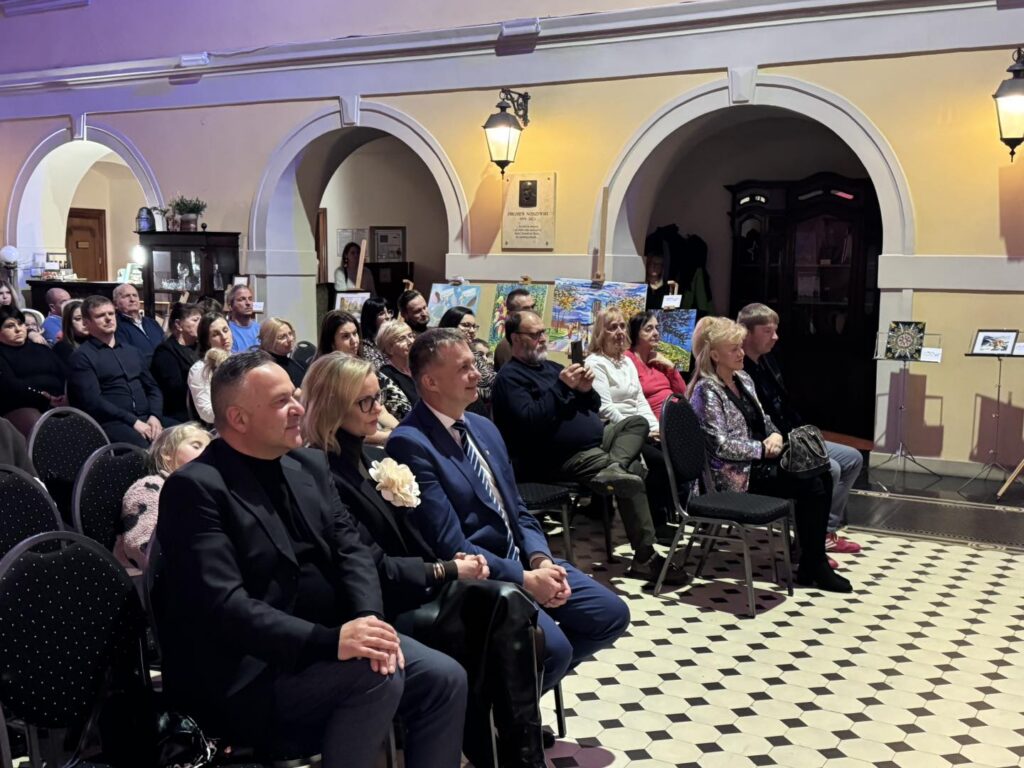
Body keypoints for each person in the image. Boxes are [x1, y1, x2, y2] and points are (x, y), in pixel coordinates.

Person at [154, 351, 466, 768]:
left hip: (328, 639)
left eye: (295, 396)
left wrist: (368, 621)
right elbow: (224, 606)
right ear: (239, 418)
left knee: (445, 677)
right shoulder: (196, 489)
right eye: (282, 401)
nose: (299, 408)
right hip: (252, 669)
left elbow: (353, 552)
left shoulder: (309, 465)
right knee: (377, 676)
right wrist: (331, 641)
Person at [303, 353, 546, 768]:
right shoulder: (324, 473)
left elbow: (416, 536)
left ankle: (510, 748)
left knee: (507, 611)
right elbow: (371, 563)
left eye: (378, 397)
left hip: (419, 585)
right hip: (383, 602)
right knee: (503, 610)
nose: (378, 409)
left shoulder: (371, 460)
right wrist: (448, 569)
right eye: (365, 402)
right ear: (333, 406)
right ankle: (510, 751)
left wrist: (455, 562)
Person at [387, 329, 631, 691]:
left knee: (610, 615)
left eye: (474, 364)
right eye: (464, 368)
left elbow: (516, 508)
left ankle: (509, 698)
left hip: (522, 559)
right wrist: (525, 580)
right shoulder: (410, 443)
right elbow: (450, 544)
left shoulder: (483, 427)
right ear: (430, 382)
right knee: (552, 650)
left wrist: (540, 560)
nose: (477, 374)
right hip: (479, 574)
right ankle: (504, 712)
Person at [492, 310, 682, 582]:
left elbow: (593, 406)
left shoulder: (552, 368)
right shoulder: (510, 378)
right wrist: (562, 388)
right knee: (632, 476)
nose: (543, 339)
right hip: (556, 457)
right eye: (535, 335)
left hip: (595, 441)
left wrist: (585, 390)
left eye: (543, 332)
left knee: (636, 423)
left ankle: (615, 467)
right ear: (515, 339)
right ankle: (645, 557)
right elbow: (530, 421)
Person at [687, 317, 851, 593]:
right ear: (714, 355)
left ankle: (812, 560)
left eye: (740, 347)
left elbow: (763, 420)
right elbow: (720, 446)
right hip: (733, 476)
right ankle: (814, 563)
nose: (741, 353)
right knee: (810, 484)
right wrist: (761, 448)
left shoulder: (743, 378)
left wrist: (775, 436)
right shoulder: (706, 390)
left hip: (759, 463)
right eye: (734, 349)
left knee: (821, 473)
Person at [737, 303, 864, 555]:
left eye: (776, 330)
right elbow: (756, 422)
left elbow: (784, 404)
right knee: (830, 467)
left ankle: (825, 531)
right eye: (767, 331)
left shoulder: (768, 361)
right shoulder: (740, 370)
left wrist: (805, 433)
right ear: (746, 332)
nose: (775, 337)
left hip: (792, 434)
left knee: (852, 458)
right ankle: (809, 541)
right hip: (772, 444)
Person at [585, 308, 674, 525]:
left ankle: (668, 514)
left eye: (622, 326)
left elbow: (639, 400)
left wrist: (655, 428)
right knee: (657, 462)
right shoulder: (595, 363)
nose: (619, 332)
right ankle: (656, 522)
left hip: (639, 427)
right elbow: (605, 408)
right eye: (612, 327)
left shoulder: (627, 362)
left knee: (670, 452)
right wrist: (639, 431)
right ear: (600, 332)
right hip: (614, 428)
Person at [67, 296, 171, 447]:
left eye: (111, 314)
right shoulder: (82, 357)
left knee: (188, 435)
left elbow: (153, 388)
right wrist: (133, 421)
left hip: (147, 418)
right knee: (151, 449)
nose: (108, 319)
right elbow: (93, 401)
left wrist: (155, 416)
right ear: (86, 323)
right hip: (113, 423)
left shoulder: (132, 351)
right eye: (100, 316)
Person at [114, 422, 210, 571]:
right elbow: (141, 545)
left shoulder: (206, 490)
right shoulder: (150, 488)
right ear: (167, 454)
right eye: (196, 446)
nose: (206, 453)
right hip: (157, 576)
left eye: (209, 448)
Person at [0, 306, 67, 437]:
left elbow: (64, 373)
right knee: (40, 428)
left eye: (21, 324)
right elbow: (11, 385)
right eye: (10, 326)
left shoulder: (42, 349)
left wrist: (65, 396)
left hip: (60, 400)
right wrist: (44, 397)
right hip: (22, 405)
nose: (18, 329)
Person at [626, 310, 686, 420]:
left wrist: (670, 366)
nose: (656, 333)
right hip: (655, 420)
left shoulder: (658, 360)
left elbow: (682, 393)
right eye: (649, 329)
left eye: (657, 328)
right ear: (635, 333)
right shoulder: (628, 359)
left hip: (677, 414)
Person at [151, 303, 202, 423]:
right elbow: (175, 389)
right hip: (181, 413)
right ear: (178, 325)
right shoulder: (165, 352)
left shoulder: (201, 347)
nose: (201, 324)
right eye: (195, 320)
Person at [439, 306, 496, 409]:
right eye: (466, 325)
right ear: (451, 325)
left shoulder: (472, 349)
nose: (472, 330)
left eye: (474, 326)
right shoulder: (442, 353)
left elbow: (489, 376)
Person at [188, 313, 233, 425]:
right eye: (215, 334)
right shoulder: (200, 369)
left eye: (225, 330)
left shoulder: (237, 360)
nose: (224, 337)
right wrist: (236, 414)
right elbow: (206, 412)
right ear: (207, 341)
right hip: (218, 427)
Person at [112, 283, 164, 363]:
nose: (132, 299)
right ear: (115, 304)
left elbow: (166, 347)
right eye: (126, 296)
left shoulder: (152, 323)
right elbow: (128, 357)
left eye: (135, 295)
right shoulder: (116, 326)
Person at [378, 319, 419, 413]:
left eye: (411, 336)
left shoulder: (420, 366)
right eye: (402, 339)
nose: (411, 341)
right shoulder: (385, 375)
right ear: (389, 348)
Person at [493, 288, 536, 371]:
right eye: (526, 309)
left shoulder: (529, 341)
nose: (532, 312)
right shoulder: (508, 345)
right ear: (511, 314)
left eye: (533, 307)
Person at [260, 316, 306, 389]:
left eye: (290, 334)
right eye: (282, 337)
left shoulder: (298, 364)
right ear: (268, 341)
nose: (290, 339)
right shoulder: (266, 368)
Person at [358, 297, 392, 371]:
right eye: (381, 313)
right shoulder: (365, 346)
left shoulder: (390, 339)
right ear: (371, 318)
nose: (388, 317)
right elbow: (378, 371)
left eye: (389, 312)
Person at [52, 299, 88, 367]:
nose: (84, 322)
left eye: (87, 317)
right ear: (68, 323)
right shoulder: (62, 348)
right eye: (78, 319)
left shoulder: (100, 342)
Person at [225, 284, 260, 353]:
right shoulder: (227, 331)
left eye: (250, 299)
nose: (248, 303)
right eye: (242, 299)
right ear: (230, 306)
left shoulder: (260, 329)